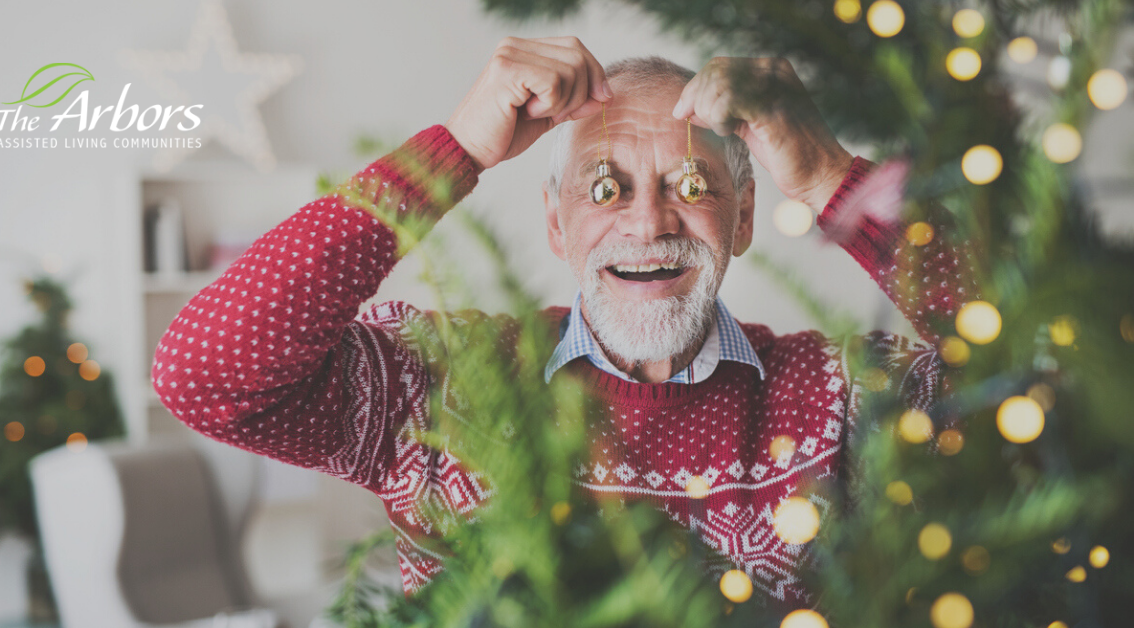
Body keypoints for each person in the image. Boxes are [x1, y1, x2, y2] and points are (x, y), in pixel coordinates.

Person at [153, 37, 973, 607]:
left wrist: (831, 176)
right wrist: (457, 151)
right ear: (556, 222)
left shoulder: (848, 395)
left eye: (691, 186)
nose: (647, 225)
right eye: (606, 188)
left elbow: (1068, 360)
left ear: (745, 216)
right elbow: (202, 372)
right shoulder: (440, 383)